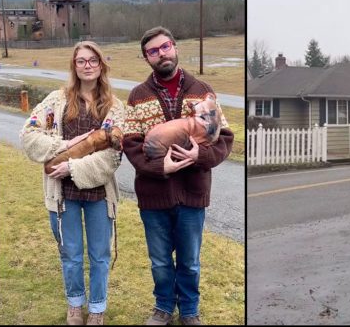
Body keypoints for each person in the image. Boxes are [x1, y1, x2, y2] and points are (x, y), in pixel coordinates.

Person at [122, 26, 234, 325]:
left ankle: (189, 311)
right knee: (160, 261)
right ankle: (162, 307)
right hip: (153, 194)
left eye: (165, 46)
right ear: (146, 58)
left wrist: (201, 156)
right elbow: (131, 145)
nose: (161, 54)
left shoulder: (202, 90)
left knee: (190, 261)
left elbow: (223, 138)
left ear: (175, 47)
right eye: (153, 51)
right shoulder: (137, 96)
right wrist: (160, 168)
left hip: (192, 191)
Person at [21, 41, 125, 325]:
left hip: (99, 193)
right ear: (74, 66)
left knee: (100, 254)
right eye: (81, 61)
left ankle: (97, 307)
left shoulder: (115, 107)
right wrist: (65, 144)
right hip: (61, 193)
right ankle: (75, 305)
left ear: (101, 65)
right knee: (71, 253)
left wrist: (71, 166)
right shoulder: (56, 101)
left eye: (93, 60)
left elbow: (112, 158)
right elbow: (29, 134)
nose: (87, 65)